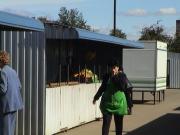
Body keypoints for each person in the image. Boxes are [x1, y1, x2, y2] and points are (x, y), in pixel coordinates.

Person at [93, 59, 133, 135]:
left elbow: (122, 87)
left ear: (118, 68)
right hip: (107, 105)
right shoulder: (106, 76)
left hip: (119, 105)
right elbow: (102, 88)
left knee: (118, 126)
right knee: (106, 124)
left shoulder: (122, 76)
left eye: (114, 67)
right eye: (111, 67)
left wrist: (129, 105)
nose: (112, 69)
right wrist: (96, 97)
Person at [0, 51, 23, 135]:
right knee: (11, 130)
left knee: (5, 131)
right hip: (14, 104)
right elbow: (19, 86)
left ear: (1, 61)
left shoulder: (3, 72)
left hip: (6, 106)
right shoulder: (13, 71)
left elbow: (3, 89)